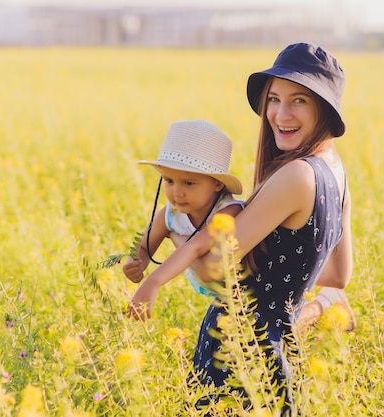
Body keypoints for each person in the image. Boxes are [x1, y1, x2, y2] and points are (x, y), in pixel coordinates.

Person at [126, 42, 353, 413]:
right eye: (274, 98)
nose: (280, 114)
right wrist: (315, 303)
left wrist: (175, 227)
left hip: (239, 347)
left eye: (299, 100)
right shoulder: (337, 171)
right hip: (276, 344)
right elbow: (339, 275)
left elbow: (217, 267)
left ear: (324, 110)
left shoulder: (296, 175)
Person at [122, 119, 244, 297]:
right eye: (169, 181)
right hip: (220, 296)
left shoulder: (229, 212)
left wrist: (153, 282)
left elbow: (196, 247)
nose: (177, 193)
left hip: (249, 292)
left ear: (217, 183)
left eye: (189, 183)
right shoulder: (170, 213)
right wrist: (133, 262)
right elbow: (143, 246)